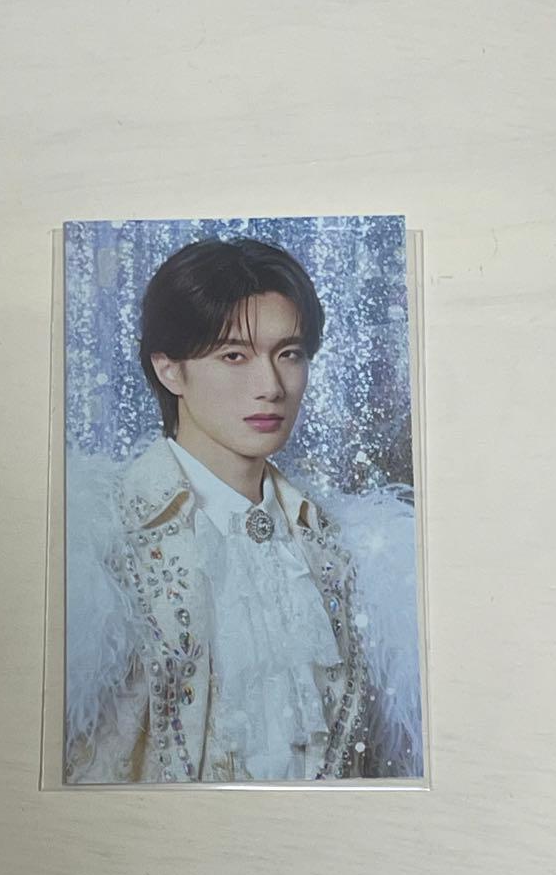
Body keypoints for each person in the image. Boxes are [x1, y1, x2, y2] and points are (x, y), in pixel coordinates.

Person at [64, 237, 420, 784]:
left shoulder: (342, 548)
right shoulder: (98, 544)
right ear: (169, 369)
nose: (271, 387)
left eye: (289, 354)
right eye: (234, 356)